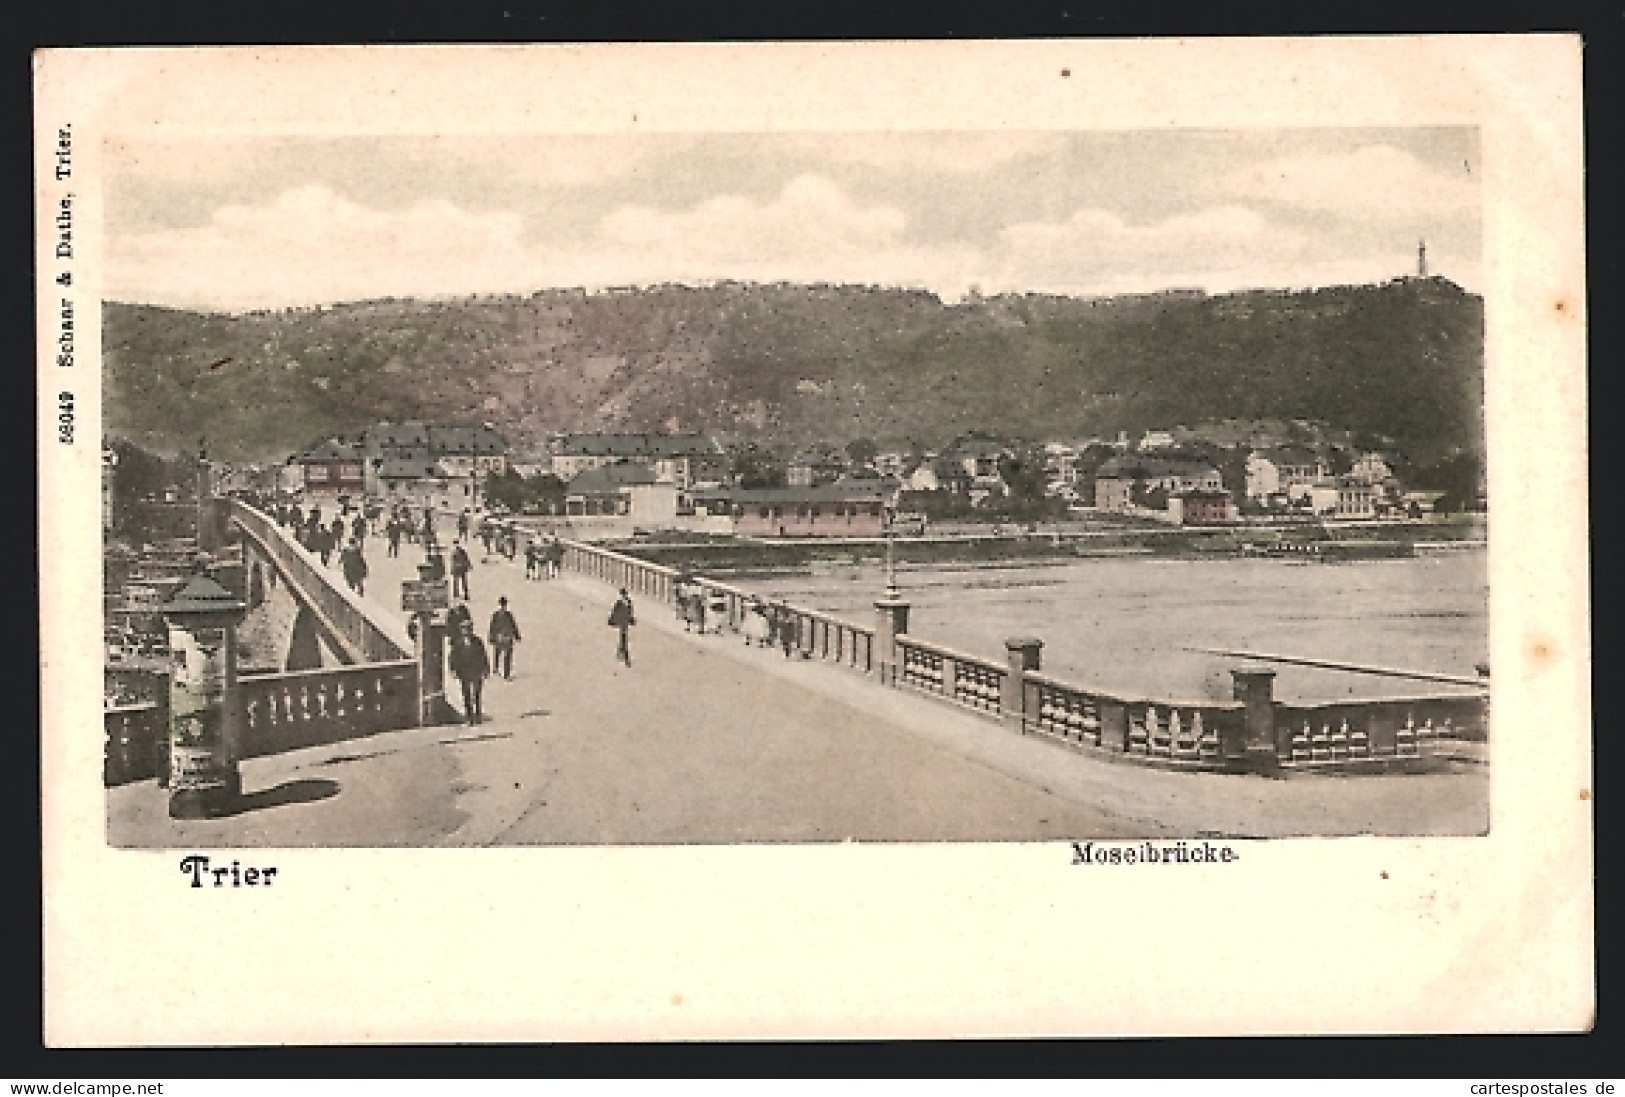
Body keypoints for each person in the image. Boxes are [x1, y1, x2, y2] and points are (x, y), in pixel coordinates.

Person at [447, 619, 489, 724]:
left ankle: (478, 716)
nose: (467, 631)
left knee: (477, 695)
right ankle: (469, 717)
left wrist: (486, 669)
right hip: (464, 672)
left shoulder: (477, 641)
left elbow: (483, 655)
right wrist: (453, 670)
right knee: (466, 695)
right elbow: (453, 657)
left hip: (476, 671)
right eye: (464, 629)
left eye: (469, 628)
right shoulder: (457, 643)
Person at [488, 596, 522, 680]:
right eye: (502, 605)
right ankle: (496, 668)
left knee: (507, 655)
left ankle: (506, 673)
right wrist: (491, 636)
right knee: (498, 652)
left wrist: (516, 635)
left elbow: (513, 626)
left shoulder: (509, 615)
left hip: (507, 637)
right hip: (499, 637)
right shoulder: (496, 615)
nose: (503, 607)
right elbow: (492, 627)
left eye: (504, 605)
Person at [608, 588, 635, 666]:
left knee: (623, 637)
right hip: (623, 622)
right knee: (623, 637)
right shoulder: (623, 602)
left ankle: (622, 653)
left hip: (624, 622)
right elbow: (615, 611)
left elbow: (628, 611)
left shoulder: (622, 602)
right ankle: (624, 655)